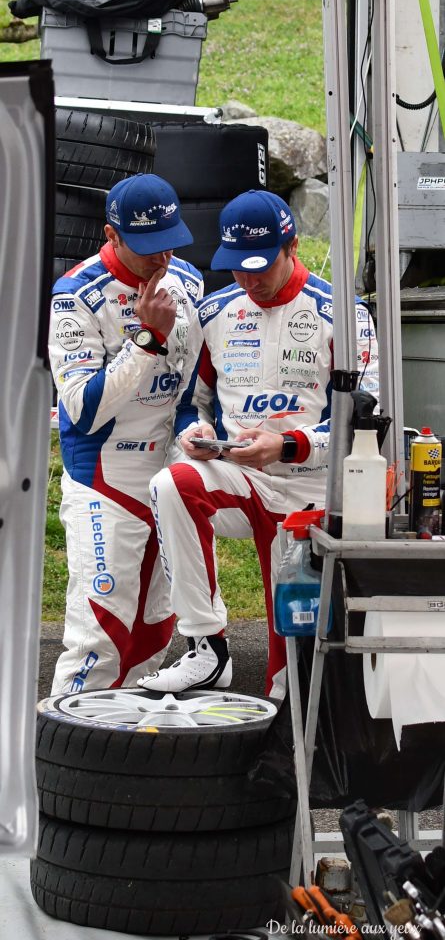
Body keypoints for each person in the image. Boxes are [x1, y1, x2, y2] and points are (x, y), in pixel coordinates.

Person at [138, 188, 379, 699]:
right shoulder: (215, 311)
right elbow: (190, 402)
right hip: (242, 474)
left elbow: (364, 418)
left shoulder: (343, 314)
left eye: (260, 267)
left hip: (314, 487)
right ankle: (206, 648)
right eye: (237, 268)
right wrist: (196, 433)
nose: (249, 281)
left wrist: (288, 445)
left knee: (285, 682)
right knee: (171, 483)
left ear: (292, 248)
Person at [48, 173, 203, 694]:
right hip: (105, 481)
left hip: (167, 480)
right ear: (111, 237)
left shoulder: (189, 282)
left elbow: (189, 389)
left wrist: (194, 432)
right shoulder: (74, 295)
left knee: (155, 630)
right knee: (100, 634)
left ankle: (133, 756)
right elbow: (81, 409)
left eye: (168, 244)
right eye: (146, 250)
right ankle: (64, 756)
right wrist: (147, 339)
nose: (161, 260)